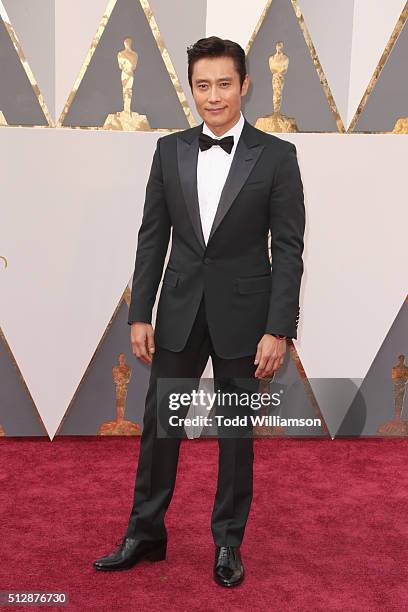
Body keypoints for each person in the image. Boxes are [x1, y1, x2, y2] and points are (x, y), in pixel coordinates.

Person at [93, 36, 305, 587]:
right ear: (192, 88)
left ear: (245, 85)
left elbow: (288, 248)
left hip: (246, 319)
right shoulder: (169, 150)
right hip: (180, 310)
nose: (213, 97)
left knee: (235, 438)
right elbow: (151, 239)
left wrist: (278, 328)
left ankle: (228, 543)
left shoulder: (278, 156)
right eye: (202, 86)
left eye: (224, 84)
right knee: (161, 428)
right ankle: (145, 533)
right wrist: (141, 313)